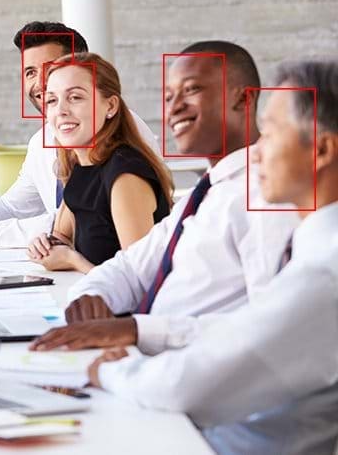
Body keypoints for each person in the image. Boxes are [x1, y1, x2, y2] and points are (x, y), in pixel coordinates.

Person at [86, 60, 338, 455]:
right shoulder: (314, 253)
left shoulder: (324, 274)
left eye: (269, 135)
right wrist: (140, 331)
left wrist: (112, 369)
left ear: (321, 150)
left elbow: (186, 386)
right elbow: (252, 329)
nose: (256, 154)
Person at [29, 41, 298, 356]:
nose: (174, 107)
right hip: (142, 356)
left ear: (245, 97)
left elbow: (271, 328)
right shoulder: (203, 195)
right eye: (169, 96)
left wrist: (135, 330)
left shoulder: (266, 198)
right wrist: (92, 295)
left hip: (186, 372)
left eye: (192, 90)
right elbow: (132, 265)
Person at [0, 22, 158, 248]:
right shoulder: (44, 140)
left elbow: (84, 223)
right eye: (30, 72)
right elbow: (14, 206)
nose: (40, 83)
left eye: (51, 70)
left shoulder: (123, 143)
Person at [26, 52, 172, 272]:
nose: (61, 111)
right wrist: (45, 245)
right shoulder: (80, 164)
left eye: (75, 97)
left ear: (111, 106)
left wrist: (72, 261)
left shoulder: (126, 175)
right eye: (52, 100)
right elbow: (61, 236)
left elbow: (142, 278)